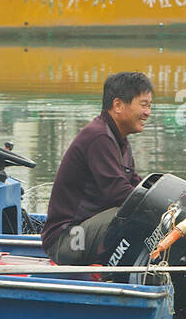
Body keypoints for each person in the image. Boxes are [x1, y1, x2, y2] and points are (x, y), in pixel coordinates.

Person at [41, 71, 153, 264]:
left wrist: (175, 202)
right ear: (118, 105)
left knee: (147, 210)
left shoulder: (120, 140)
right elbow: (118, 193)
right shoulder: (99, 137)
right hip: (67, 240)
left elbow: (137, 185)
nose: (147, 112)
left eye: (150, 106)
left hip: (84, 233)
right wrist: (161, 210)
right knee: (138, 215)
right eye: (143, 105)